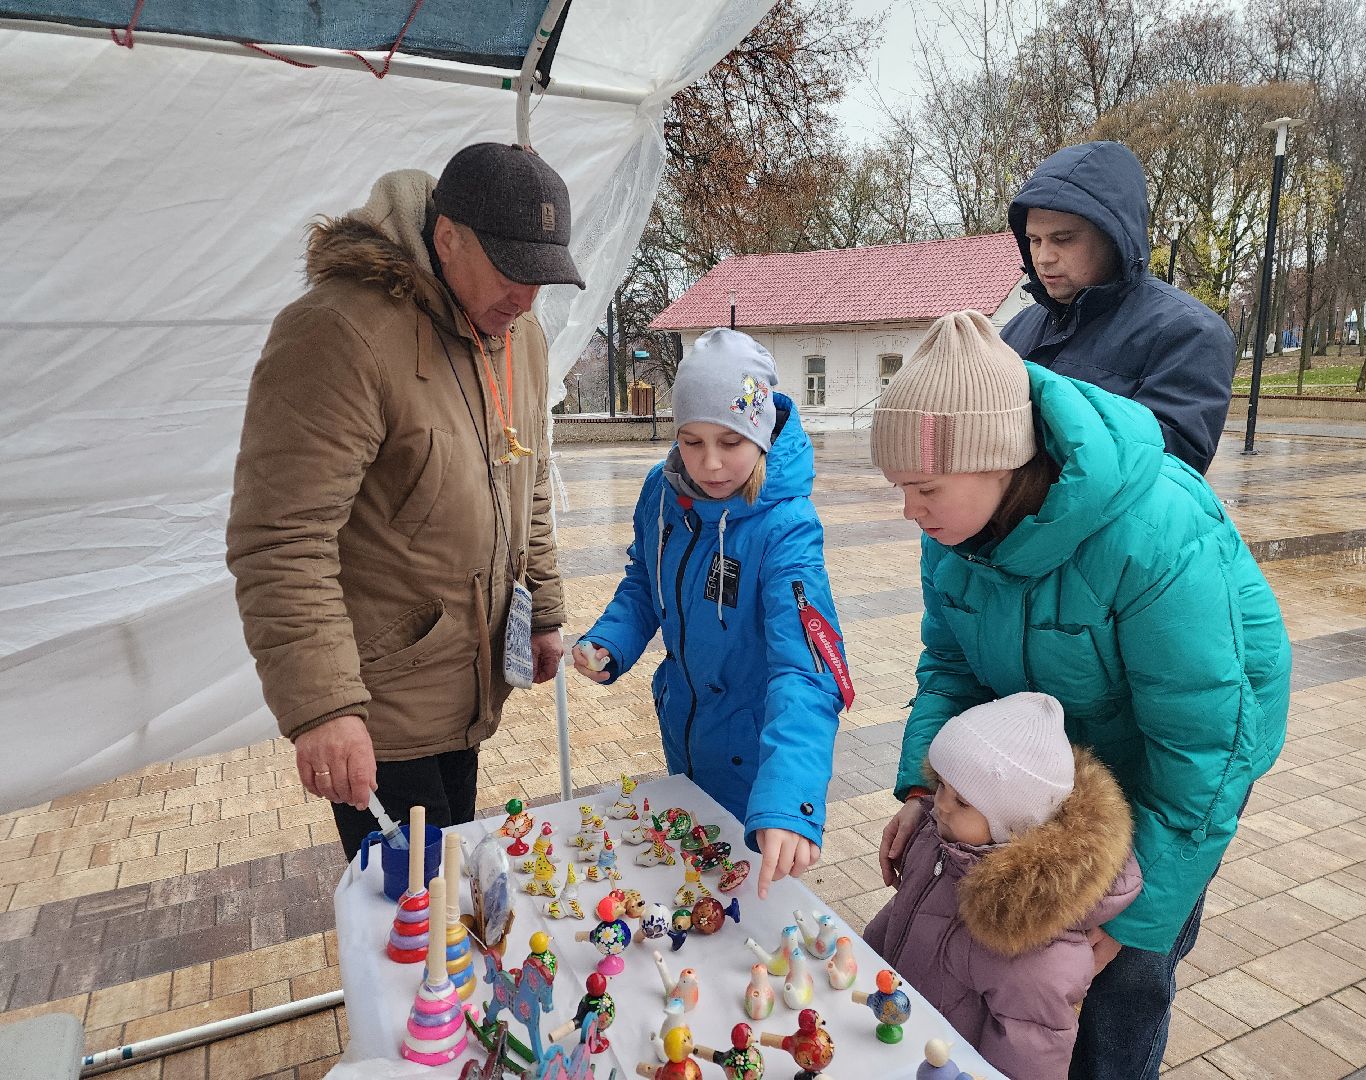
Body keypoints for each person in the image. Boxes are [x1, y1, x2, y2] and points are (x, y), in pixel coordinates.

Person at [870, 311, 1290, 1080]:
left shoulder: (1154, 529)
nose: (910, 512)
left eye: (924, 487)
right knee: (1023, 973)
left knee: (1117, 975)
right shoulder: (954, 540)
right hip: (1050, 757)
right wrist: (925, 790)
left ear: (998, 462)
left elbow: (1204, 747)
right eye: (901, 489)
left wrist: (1141, 915)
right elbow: (952, 669)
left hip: (1173, 765)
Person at [227, 143, 584, 861]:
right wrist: (324, 707)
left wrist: (542, 608)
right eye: (513, 270)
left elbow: (529, 481)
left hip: (467, 689)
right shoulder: (340, 331)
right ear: (447, 239)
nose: (527, 297)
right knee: (413, 932)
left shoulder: (517, 335)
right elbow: (281, 539)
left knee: (450, 905)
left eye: (541, 277)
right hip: (380, 707)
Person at [572, 329, 849, 898]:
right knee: (694, 893)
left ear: (762, 431)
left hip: (757, 759)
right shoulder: (663, 491)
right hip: (685, 731)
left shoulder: (786, 528)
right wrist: (613, 639)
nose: (711, 464)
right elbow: (644, 583)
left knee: (746, 903)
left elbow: (808, 668)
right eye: (692, 441)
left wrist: (788, 797)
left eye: (730, 441)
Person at [864, 693, 1141, 1080]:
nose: (940, 805)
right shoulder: (942, 844)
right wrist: (864, 962)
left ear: (1013, 824)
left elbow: (1032, 1052)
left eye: (962, 801)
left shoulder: (1033, 940)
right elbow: (905, 913)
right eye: (941, 784)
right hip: (896, 1040)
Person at [1001, 140, 1235, 474]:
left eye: (1063, 239)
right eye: (1034, 240)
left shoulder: (1191, 333)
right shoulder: (1018, 327)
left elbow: (1161, 470)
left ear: (1114, 236)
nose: (1043, 257)